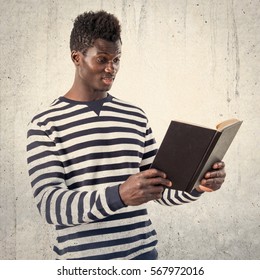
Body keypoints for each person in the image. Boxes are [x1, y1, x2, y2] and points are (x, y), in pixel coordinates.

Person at [26, 10, 226, 260]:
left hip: (143, 258)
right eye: (102, 59)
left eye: (117, 59)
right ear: (77, 58)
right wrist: (119, 195)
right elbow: (50, 205)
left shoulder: (135, 116)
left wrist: (198, 184)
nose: (111, 68)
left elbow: (160, 189)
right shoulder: (46, 123)